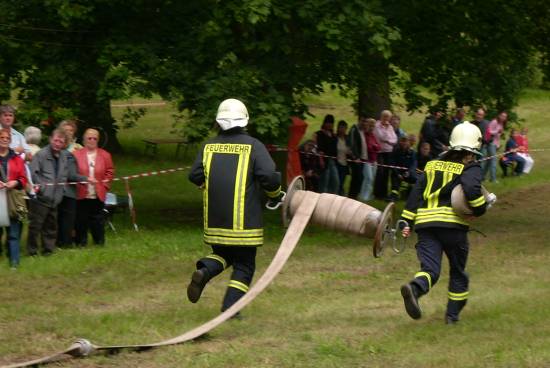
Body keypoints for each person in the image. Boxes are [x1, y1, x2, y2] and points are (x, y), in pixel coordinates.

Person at [187, 98, 283, 315]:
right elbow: (269, 176)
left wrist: (205, 183)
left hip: (215, 221)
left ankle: (204, 270)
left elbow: (194, 175)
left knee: (223, 254)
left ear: (219, 121)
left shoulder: (208, 146)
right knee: (245, 264)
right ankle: (230, 309)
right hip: (244, 222)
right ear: (245, 120)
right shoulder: (254, 146)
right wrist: (275, 195)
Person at [399, 121, 494, 324]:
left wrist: (406, 219)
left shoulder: (432, 165)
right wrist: (481, 208)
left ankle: (415, 289)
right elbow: (471, 190)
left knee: (430, 269)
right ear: (475, 147)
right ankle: (452, 317)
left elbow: (416, 193)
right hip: (452, 227)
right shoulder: (470, 167)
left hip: (425, 225)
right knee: (458, 272)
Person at [27, 129, 89, 256]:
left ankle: (48, 250)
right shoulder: (41, 155)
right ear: (50, 139)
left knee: (51, 226)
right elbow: (33, 173)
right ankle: (32, 251)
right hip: (40, 198)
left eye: (61, 142)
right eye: (55, 140)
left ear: (64, 144)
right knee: (36, 226)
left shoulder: (64, 157)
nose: (57, 143)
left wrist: (84, 179)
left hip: (55, 198)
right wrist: (42, 188)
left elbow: (67, 175)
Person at [73, 128, 115, 246]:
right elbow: (72, 173)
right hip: (81, 193)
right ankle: (81, 243)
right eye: (89, 138)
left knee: (97, 220)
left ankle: (99, 242)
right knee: (81, 220)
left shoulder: (105, 155)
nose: (92, 140)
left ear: (98, 140)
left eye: (94, 138)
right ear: (84, 139)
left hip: (98, 193)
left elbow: (110, 171)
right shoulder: (76, 154)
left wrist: (105, 185)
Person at [0, 129, 28, 269]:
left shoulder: (17, 158)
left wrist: (15, 182)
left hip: (13, 199)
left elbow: (23, 178)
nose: (4, 139)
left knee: (13, 233)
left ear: (10, 140)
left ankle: (14, 264)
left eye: (7, 137)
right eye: (1, 137)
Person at [56, 120, 84, 247]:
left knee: (71, 217)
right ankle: (59, 241)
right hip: (57, 188)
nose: (68, 133)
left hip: (74, 187)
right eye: (66, 130)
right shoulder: (55, 146)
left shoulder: (78, 148)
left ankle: (69, 240)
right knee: (58, 217)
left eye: (71, 130)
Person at [373, 110, 397, 199]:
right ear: (382, 117)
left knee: (386, 173)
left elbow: (394, 140)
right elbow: (381, 137)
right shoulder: (377, 126)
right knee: (380, 172)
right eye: (385, 117)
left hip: (388, 152)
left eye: (388, 117)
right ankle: (377, 193)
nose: (387, 119)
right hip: (379, 152)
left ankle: (384, 194)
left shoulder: (390, 127)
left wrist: (388, 141)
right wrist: (388, 139)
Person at [314, 114, 339, 194]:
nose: (330, 125)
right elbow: (319, 148)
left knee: (335, 182)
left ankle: (331, 198)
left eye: (331, 123)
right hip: (323, 161)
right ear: (324, 123)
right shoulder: (319, 134)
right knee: (324, 182)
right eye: (328, 122)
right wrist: (321, 160)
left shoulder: (333, 135)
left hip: (332, 161)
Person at [358, 118, 380, 202]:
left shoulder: (373, 135)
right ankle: (364, 196)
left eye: (373, 126)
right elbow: (369, 148)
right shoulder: (365, 135)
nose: (372, 127)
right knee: (368, 178)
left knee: (370, 179)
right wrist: (374, 146)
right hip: (367, 161)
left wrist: (374, 146)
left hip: (374, 161)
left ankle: (365, 195)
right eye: (370, 125)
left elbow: (378, 147)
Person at [388, 135, 417, 202]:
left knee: (416, 179)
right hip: (397, 173)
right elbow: (392, 164)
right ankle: (394, 196)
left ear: (408, 143)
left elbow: (413, 164)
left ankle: (409, 194)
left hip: (408, 173)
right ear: (400, 142)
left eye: (406, 142)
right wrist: (398, 174)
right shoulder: (395, 151)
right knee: (395, 182)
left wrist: (408, 172)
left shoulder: (412, 152)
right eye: (402, 141)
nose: (404, 143)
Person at [347, 117, 368, 199]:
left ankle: (355, 195)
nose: (364, 123)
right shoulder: (354, 130)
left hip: (362, 159)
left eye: (366, 121)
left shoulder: (362, 131)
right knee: (357, 177)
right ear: (359, 120)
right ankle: (352, 196)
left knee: (360, 178)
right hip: (356, 159)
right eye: (363, 121)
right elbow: (352, 145)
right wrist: (355, 157)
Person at [484, 111, 507, 182]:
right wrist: (497, 131)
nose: (503, 118)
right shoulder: (494, 122)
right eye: (502, 116)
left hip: (495, 144)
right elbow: (489, 131)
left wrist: (498, 144)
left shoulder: (501, 123)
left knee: (488, 161)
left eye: (505, 117)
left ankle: (482, 177)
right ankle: (493, 179)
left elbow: (498, 136)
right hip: (490, 143)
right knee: (493, 160)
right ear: (499, 115)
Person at [335, 120, 351, 195]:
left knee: (342, 181)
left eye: (344, 128)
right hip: (337, 163)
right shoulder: (335, 138)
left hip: (345, 163)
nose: (342, 130)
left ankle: (341, 193)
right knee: (337, 181)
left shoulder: (347, 138)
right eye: (341, 128)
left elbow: (349, 148)